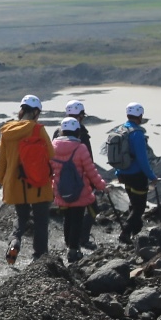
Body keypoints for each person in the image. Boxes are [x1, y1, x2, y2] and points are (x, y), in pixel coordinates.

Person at [0, 95, 54, 265]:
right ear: (36, 112)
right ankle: (39, 257)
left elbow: (2, 160)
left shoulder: (7, 132)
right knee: (41, 221)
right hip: (38, 184)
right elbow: (51, 154)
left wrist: (1, 180)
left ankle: (15, 241)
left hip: (15, 184)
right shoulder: (38, 130)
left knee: (21, 217)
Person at [50, 116, 106, 264]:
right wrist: (101, 185)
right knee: (77, 219)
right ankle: (73, 250)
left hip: (61, 191)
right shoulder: (80, 148)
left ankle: (69, 245)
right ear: (77, 132)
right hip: (79, 192)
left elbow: (49, 169)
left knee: (67, 218)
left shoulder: (52, 147)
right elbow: (90, 170)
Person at [106, 103, 156, 242]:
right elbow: (142, 159)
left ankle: (135, 232)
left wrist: (118, 172)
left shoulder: (120, 129)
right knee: (139, 208)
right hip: (137, 175)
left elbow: (116, 154)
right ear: (140, 115)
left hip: (124, 174)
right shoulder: (137, 133)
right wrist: (152, 176)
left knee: (134, 203)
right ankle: (125, 233)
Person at [62, 99, 99, 247]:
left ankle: (69, 241)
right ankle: (80, 240)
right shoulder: (81, 133)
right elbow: (87, 159)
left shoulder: (58, 132)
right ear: (80, 115)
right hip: (80, 181)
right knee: (91, 209)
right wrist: (93, 181)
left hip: (62, 182)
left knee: (69, 214)